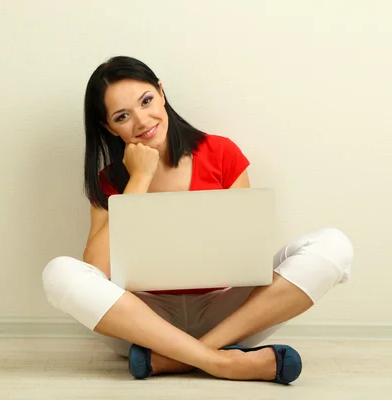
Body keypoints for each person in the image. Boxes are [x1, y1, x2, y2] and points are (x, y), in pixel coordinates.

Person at [42, 56, 353, 384]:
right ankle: (221, 362)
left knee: (334, 245)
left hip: (226, 314)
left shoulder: (220, 153)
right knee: (58, 273)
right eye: (122, 116)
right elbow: (96, 269)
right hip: (142, 323)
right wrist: (139, 179)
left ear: (161, 92)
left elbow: (245, 253)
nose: (142, 120)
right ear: (109, 127)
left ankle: (182, 356)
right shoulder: (109, 180)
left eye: (146, 101)